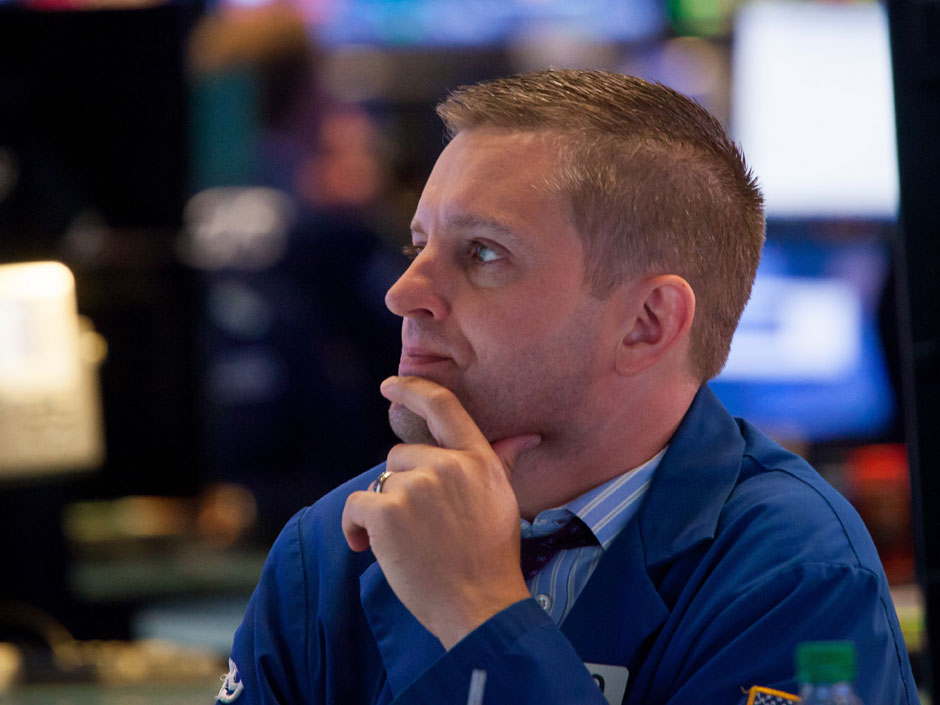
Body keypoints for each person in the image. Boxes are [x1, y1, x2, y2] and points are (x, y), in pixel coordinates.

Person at [217, 69, 918, 705]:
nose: (405, 292)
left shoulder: (794, 574)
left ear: (647, 322)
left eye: (483, 252)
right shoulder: (330, 548)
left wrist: (481, 613)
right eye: (417, 243)